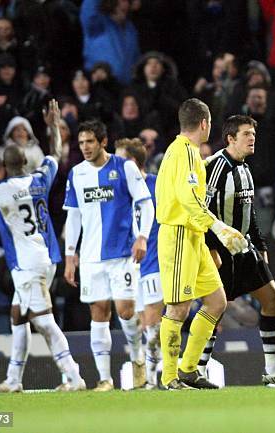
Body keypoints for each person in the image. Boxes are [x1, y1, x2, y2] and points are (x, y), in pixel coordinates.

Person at [0, 99, 86, 392]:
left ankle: (74, 376)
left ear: (4, 166)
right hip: (45, 256)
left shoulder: (0, 190)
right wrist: (53, 126)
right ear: (26, 162)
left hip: (28, 264)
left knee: (43, 321)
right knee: (18, 315)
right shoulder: (40, 178)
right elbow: (54, 153)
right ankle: (14, 380)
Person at [198, 115, 275, 387]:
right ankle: (198, 370)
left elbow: (249, 211)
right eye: (246, 134)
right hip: (220, 250)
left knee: (273, 301)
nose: (252, 138)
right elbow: (201, 211)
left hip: (244, 249)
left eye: (253, 133)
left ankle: (273, 370)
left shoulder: (244, 168)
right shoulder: (216, 168)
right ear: (231, 138)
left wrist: (261, 245)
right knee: (214, 309)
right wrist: (210, 248)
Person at [155, 98, 247, 390]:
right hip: (180, 234)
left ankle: (188, 369)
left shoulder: (187, 153)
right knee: (178, 308)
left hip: (193, 235)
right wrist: (219, 228)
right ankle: (169, 377)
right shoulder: (183, 153)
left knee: (217, 301)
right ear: (204, 123)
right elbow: (188, 198)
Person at [63, 119, 154, 392]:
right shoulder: (76, 174)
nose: (85, 147)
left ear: (103, 142)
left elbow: (145, 203)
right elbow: (74, 216)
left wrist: (142, 237)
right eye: (81, 143)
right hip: (90, 258)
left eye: (90, 141)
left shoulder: (124, 167)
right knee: (98, 313)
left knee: (126, 311)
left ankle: (137, 357)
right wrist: (70, 254)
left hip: (122, 253)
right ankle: (105, 379)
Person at [114, 138, 162, 389]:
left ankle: (153, 380)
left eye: (120, 159)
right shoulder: (120, 190)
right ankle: (150, 374)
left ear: (132, 162)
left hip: (155, 263)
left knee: (153, 323)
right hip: (131, 266)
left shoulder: (157, 185)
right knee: (143, 323)